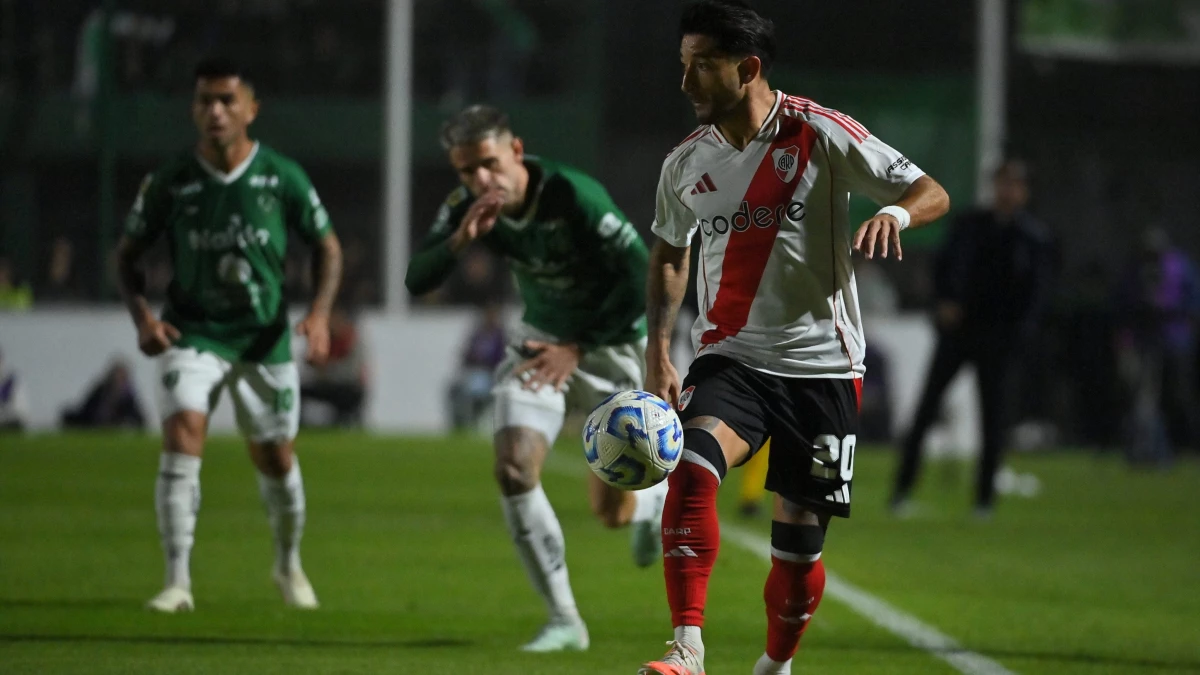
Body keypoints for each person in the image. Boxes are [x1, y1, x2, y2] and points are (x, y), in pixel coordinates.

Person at [640, 3, 950, 673]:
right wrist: (658, 348)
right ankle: (686, 649)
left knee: (798, 549)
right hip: (730, 358)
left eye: (702, 66)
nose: (686, 82)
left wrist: (895, 213)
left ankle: (775, 665)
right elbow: (669, 253)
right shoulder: (685, 163)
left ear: (748, 67)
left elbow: (931, 190)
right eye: (683, 65)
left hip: (823, 367)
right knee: (690, 468)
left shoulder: (821, 132)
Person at [405, 104, 670, 652]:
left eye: (489, 163)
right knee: (512, 468)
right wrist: (460, 239)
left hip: (610, 344)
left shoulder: (572, 196)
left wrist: (578, 347)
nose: (481, 179)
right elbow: (416, 278)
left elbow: (640, 276)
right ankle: (565, 620)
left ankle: (650, 506)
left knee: (611, 513)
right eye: (466, 171)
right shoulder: (466, 207)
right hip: (540, 345)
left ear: (517, 152)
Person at [114, 57, 343, 613]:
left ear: (251, 109)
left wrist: (319, 315)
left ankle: (287, 564)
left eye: (226, 101)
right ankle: (177, 582)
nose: (214, 111)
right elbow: (127, 255)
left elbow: (327, 246)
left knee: (276, 459)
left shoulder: (280, 176)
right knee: (184, 430)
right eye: (204, 101)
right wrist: (143, 318)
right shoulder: (171, 181)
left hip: (263, 340)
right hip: (193, 333)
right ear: (193, 110)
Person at [890, 160, 1053, 518]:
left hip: (998, 340)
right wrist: (943, 304)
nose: (1008, 191)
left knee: (993, 419)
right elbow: (943, 268)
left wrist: (1018, 336)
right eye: (1003, 183)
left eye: (1015, 185)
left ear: (1024, 192)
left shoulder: (1032, 238)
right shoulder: (969, 225)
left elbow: (1036, 295)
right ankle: (901, 491)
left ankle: (984, 501)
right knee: (926, 409)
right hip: (958, 333)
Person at [1115, 228, 1200, 464]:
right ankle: (1150, 448)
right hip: (1146, 340)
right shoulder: (1135, 269)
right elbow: (1123, 304)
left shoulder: (1181, 266)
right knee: (1146, 397)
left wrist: (1173, 313)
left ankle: (1184, 444)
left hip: (1176, 338)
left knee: (1178, 394)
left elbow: (1192, 301)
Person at [448, 303, 509, 430]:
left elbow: (502, 360)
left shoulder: (500, 337)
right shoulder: (477, 335)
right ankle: (459, 424)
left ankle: (471, 420)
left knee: (475, 390)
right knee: (453, 390)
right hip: (473, 372)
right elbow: (465, 355)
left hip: (490, 375)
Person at [61, 358, 147, 429]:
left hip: (114, 423)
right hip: (93, 419)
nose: (119, 378)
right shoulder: (102, 389)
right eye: (118, 375)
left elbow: (136, 415)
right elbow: (88, 406)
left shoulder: (127, 396)